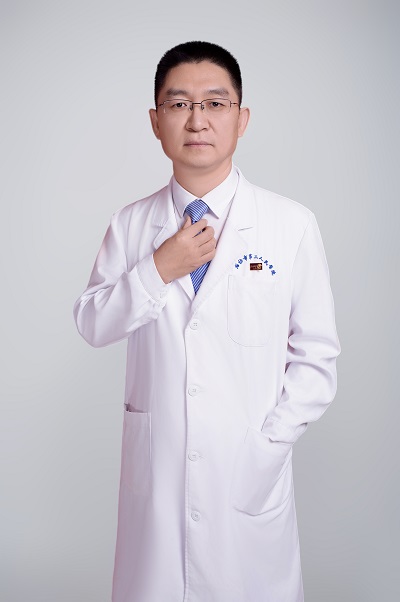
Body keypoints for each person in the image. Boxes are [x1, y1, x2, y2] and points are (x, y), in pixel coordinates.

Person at [73, 40, 340, 602]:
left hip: (247, 473)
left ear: (242, 119)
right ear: (156, 122)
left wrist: (268, 446)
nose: (197, 120)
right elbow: (93, 323)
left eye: (215, 104)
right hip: (159, 477)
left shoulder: (290, 224)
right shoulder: (131, 225)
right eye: (179, 105)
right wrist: (157, 269)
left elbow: (317, 358)